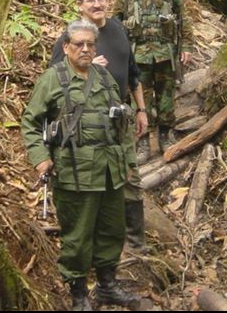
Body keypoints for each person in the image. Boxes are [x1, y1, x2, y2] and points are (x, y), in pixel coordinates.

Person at [22, 20, 140, 311]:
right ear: (66, 47)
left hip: (110, 172)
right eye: (79, 44)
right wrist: (40, 158)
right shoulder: (53, 79)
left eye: (90, 44)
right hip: (75, 172)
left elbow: (123, 122)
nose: (86, 49)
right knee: (77, 235)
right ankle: (78, 294)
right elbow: (30, 122)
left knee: (112, 230)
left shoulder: (105, 77)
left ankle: (107, 285)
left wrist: (128, 161)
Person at [50, 0, 150, 253]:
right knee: (94, 180)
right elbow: (54, 79)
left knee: (130, 176)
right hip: (86, 122)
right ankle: (93, 242)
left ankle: (135, 243)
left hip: (120, 118)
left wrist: (141, 110)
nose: (97, 4)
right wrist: (85, 65)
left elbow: (133, 73)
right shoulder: (71, 38)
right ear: (79, 5)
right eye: (91, 0)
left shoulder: (118, 28)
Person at [113, 0, 193, 153]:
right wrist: (119, 52)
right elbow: (116, 21)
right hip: (138, 55)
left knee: (166, 96)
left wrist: (186, 46)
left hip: (165, 52)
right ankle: (143, 139)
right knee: (141, 99)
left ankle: (166, 134)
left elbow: (183, 18)